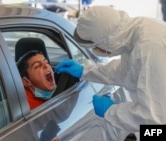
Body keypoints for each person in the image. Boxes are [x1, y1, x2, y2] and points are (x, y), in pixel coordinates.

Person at [65, 5, 166, 140]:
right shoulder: (137, 32)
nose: (98, 51)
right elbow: (127, 71)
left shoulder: (148, 47)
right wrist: (86, 71)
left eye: (95, 47)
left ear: (106, 41)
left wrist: (111, 111)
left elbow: (156, 121)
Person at [17, 50, 83, 110]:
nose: (46, 65)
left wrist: (83, 73)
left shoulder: (62, 79)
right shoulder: (24, 107)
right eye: (37, 66)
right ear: (26, 81)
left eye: (46, 62)